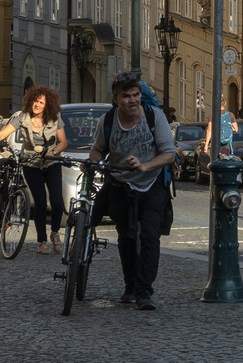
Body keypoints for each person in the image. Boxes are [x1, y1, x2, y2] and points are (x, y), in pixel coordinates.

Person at [90, 72, 174, 310]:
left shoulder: (154, 116)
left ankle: (144, 291)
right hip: (120, 184)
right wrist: (94, 161)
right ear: (116, 99)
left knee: (150, 235)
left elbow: (169, 153)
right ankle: (130, 286)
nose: (132, 100)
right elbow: (98, 150)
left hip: (152, 183)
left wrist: (145, 165)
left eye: (136, 95)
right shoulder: (106, 122)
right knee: (126, 237)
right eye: (126, 96)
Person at [0, 85, 68, 255]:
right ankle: (42, 241)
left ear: (47, 105)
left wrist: (53, 152)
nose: (37, 104)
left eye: (41, 102)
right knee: (40, 203)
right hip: (31, 165)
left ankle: (55, 233)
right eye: (35, 100)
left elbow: (63, 142)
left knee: (57, 203)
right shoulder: (22, 117)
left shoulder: (55, 119)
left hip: (52, 164)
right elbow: (3, 133)